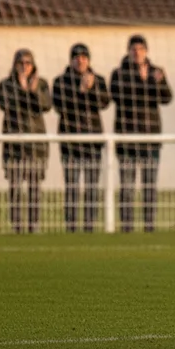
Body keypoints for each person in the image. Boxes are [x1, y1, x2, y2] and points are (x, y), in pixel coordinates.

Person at [110, 35, 172, 232]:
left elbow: (167, 98)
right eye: (133, 49)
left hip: (150, 140)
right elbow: (119, 96)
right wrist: (144, 81)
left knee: (149, 187)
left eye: (140, 49)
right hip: (126, 140)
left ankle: (149, 226)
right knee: (127, 188)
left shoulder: (157, 72)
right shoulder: (118, 73)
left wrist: (157, 82)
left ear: (146, 51)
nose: (137, 52)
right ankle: (126, 227)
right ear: (128, 51)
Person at [52, 43, 111, 233]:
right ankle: (71, 227)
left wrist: (91, 89)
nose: (80, 60)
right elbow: (60, 105)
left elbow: (104, 102)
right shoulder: (60, 81)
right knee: (72, 186)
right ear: (71, 60)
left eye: (84, 57)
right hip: (70, 142)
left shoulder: (99, 80)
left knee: (92, 187)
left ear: (89, 60)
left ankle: (89, 226)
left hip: (92, 141)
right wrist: (81, 91)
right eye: (77, 57)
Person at [0, 48, 52, 234]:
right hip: (14, 145)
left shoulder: (41, 84)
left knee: (34, 188)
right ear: (14, 65)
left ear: (33, 65)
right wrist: (21, 88)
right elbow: (5, 104)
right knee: (15, 188)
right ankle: (17, 227)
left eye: (28, 63)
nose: (24, 67)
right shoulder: (6, 84)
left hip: (36, 145)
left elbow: (45, 105)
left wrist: (33, 90)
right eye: (20, 63)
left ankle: (33, 226)